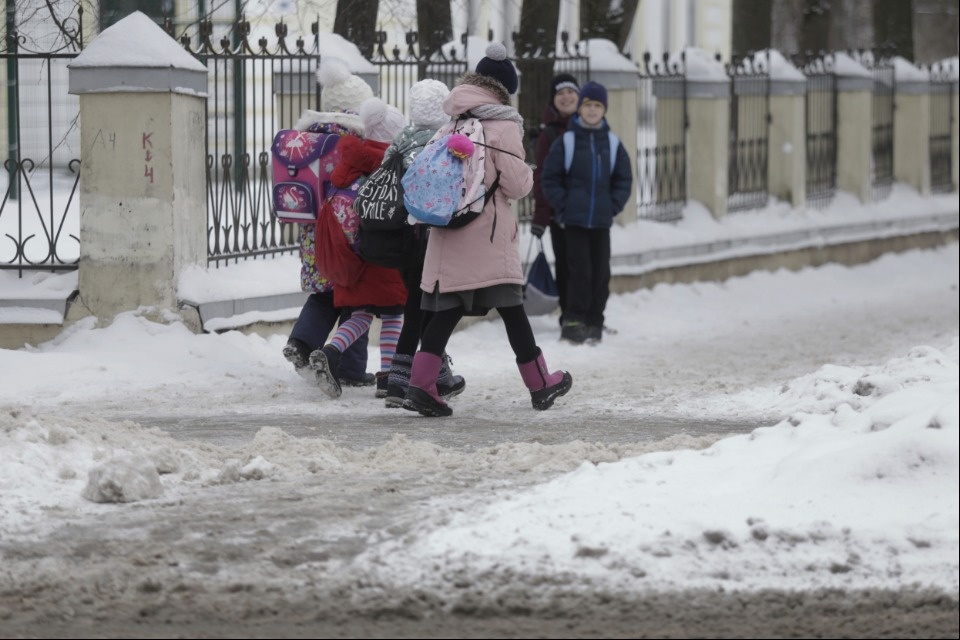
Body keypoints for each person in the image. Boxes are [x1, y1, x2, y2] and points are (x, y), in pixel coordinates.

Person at [403, 42, 573, 418]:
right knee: (512, 308)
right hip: (486, 234)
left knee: (446, 310)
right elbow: (515, 184)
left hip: (447, 230)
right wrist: (528, 173)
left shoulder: (453, 120)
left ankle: (420, 384)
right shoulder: (503, 124)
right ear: (504, 89)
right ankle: (541, 383)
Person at [282, 57, 376, 387]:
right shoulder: (359, 140)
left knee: (323, 294)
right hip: (350, 234)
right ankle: (350, 369)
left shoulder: (308, 139)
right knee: (356, 296)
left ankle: (301, 343)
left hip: (314, 232)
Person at [308, 96, 409, 399]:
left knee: (361, 314)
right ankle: (388, 377)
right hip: (382, 254)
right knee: (392, 315)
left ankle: (330, 351)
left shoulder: (349, 162)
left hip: (350, 253)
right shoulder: (391, 163)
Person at [381, 79, 466, 408]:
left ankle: (438, 373)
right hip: (431, 237)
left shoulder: (399, 140)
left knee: (416, 307)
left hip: (401, 236)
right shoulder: (445, 141)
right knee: (423, 309)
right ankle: (399, 384)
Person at [540, 81, 633, 345]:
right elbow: (550, 178)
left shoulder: (613, 144)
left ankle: (595, 321)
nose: (592, 110)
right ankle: (573, 321)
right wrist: (565, 206)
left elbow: (623, 179)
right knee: (578, 272)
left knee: (601, 274)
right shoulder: (566, 142)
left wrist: (612, 205)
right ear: (581, 109)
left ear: (604, 110)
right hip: (574, 222)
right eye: (588, 105)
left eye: (597, 106)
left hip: (601, 222)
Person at [530, 73, 580, 326]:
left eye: (571, 92)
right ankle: (570, 316)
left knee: (592, 267)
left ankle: (590, 317)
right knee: (567, 265)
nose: (566, 97)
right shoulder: (548, 134)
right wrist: (542, 216)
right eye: (561, 93)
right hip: (561, 213)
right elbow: (542, 177)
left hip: (589, 213)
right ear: (554, 100)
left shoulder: (592, 126)